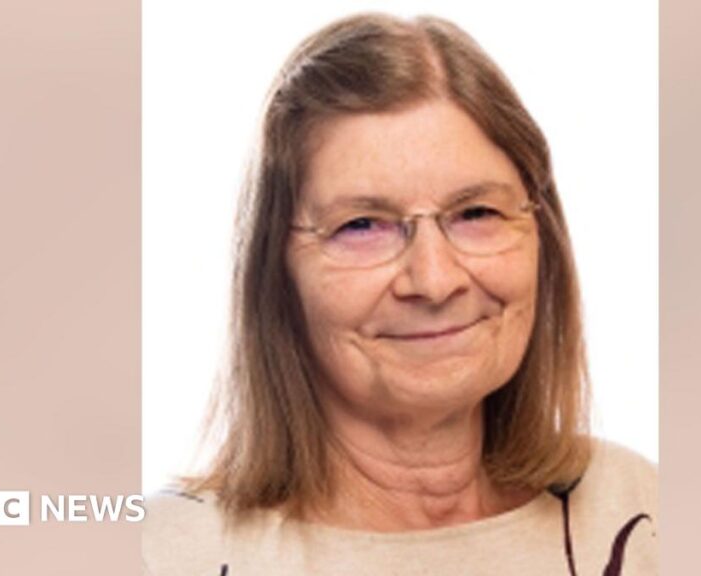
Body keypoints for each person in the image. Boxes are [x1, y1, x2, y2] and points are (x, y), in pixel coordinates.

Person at [143, 13, 657, 576]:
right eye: (362, 225)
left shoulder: (642, 510)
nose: (435, 280)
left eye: (476, 213)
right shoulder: (161, 555)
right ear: (276, 272)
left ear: (542, 234)